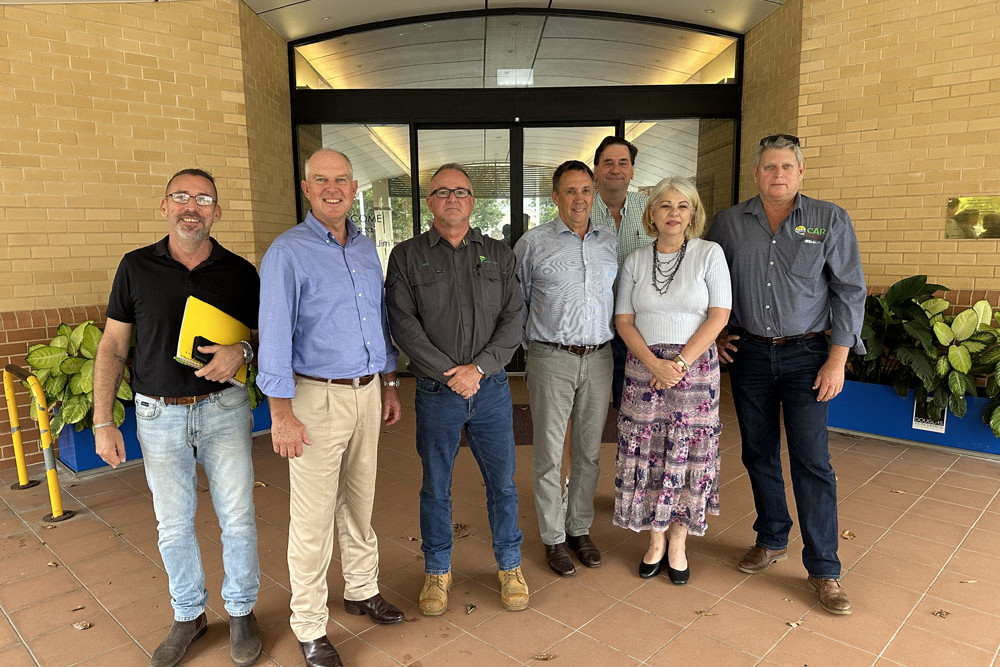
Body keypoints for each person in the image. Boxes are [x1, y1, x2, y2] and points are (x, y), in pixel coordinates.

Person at [94, 169, 262, 667]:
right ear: (164, 206)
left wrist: (244, 350)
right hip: (159, 415)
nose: (193, 206)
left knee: (238, 518)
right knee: (173, 523)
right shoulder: (135, 267)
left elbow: (265, 334)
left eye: (204, 198)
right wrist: (104, 420)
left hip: (224, 409)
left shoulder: (239, 271)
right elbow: (112, 346)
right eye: (182, 197)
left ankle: (241, 611)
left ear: (217, 210)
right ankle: (189, 614)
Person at [705, 133, 866, 615]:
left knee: (812, 462)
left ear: (800, 173)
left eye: (786, 167)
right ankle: (772, 537)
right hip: (750, 356)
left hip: (808, 358)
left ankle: (824, 569)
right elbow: (707, 283)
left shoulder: (829, 219)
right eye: (769, 167)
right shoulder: (730, 223)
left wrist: (838, 358)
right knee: (757, 452)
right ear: (755, 174)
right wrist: (714, 335)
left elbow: (850, 290)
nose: (778, 175)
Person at [257, 149, 404, 667]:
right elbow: (274, 337)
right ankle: (310, 625)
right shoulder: (287, 252)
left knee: (360, 504)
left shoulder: (366, 250)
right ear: (306, 187)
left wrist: (388, 383)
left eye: (341, 179)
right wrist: (281, 414)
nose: (333, 188)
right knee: (313, 519)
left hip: (366, 392)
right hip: (313, 398)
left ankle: (362, 589)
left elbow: (378, 324)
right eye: (322, 180)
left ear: (355, 187)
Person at [385, 163, 529, 616]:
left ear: (472, 201)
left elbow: (514, 318)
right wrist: (453, 373)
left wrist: (479, 369)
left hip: (491, 390)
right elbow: (403, 325)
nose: (452, 199)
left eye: (461, 192)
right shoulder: (406, 257)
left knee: (502, 485)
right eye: (442, 192)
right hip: (436, 391)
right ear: (429, 202)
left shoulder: (498, 254)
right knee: (436, 487)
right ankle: (437, 570)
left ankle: (509, 565)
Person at [613, 177, 731, 585]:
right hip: (642, 370)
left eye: (683, 206)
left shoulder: (708, 254)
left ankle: (678, 542)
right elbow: (623, 320)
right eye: (665, 205)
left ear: (693, 213)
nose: (674, 213)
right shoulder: (635, 260)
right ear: (651, 213)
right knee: (649, 453)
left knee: (687, 454)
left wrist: (678, 363)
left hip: (694, 368)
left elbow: (719, 315)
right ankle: (655, 539)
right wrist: (653, 364)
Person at [513, 160, 617, 577]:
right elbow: (514, 302)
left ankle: (579, 528)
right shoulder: (533, 243)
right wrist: (534, 349)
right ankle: (553, 538)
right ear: (555, 197)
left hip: (599, 358)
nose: (579, 199)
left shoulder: (608, 241)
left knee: (590, 452)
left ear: (594, 195)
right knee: (549, 454)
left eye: (586, 190)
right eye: (570, 191)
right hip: (550, 356)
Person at [591, 136, 650, 410]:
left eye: (623, 163)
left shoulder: (651, 209)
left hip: (641, 330)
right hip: (593, 331)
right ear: (596, 170)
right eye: (608, 163)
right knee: (589, 412)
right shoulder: (581, 208)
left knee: (637, 409)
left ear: (633, 170)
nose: (616, 169)